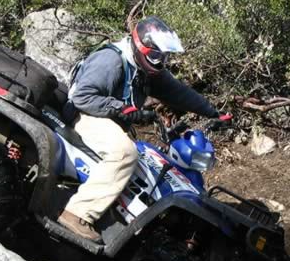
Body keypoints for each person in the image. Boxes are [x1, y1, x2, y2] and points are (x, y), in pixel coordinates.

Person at [57, 16, 231, 242]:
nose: (160, 61)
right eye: (156, 55)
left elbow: (179, 92)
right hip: (83, 115)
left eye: (164, 56)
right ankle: (77, 212)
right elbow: (82, 96)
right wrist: (124, 110)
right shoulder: (112, 60)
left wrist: (212, 111)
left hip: (107, 119)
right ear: (140, 48)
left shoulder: (146, 69)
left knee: (151, 160)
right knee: (125, 152)